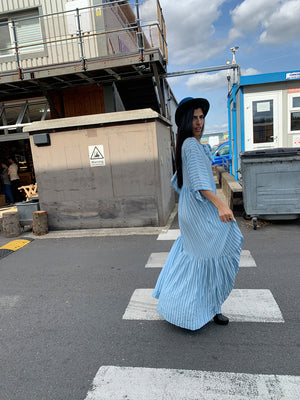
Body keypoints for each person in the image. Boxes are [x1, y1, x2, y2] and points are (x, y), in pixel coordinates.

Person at [152, 97, 243, 331]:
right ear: (185, 120)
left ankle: (211, 308)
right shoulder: (191, 145)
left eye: (201, 117)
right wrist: (221, 205)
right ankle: (195, 309)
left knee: (202, 258)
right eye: (194, 118)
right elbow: (202, 184)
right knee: (211, 255)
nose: (199, 122)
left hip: (192, 210)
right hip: (198, 211)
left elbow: (182, 182)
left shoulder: (188, 144)